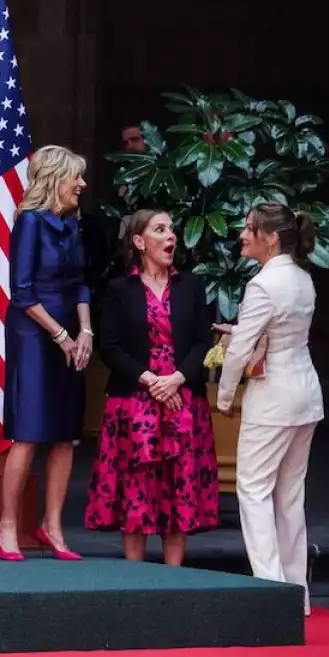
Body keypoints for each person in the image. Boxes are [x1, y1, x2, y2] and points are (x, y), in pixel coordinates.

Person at [86, 209, 219, 564]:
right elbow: (110, 346)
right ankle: (135, 581)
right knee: (136, 489)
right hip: (134, 402)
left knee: (178, 489)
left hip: (182, 399)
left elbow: (203, 341)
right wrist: (150, 380)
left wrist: (176, 379)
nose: (171, 236)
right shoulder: (118, 289)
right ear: (140, 241)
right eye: (161, 230)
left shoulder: (191, 286)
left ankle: (174, 577)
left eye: (173, 229)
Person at [216, 202, 322, 615]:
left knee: (254, 491)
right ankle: (297, 596)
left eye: (250, 228)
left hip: (273, 398)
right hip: (305, 394)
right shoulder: (302, 278)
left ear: (271, 237)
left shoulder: (263, 285)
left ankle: (270, 594)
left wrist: (225, 396)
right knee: (290, 498)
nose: (243, 234)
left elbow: (242, 348)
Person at [0, 145, 91, 561]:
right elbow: (23, 293)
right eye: (77, 177)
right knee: (30, 432)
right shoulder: (30, 224)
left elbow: (81, 283)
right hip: (34, 334)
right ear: (56, 179)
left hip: (70, 332)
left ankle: (52, 526)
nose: (83, 185)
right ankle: (8, 525)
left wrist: (84, 331)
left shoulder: (71, 226)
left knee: (65, 433)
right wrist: (61, 336)